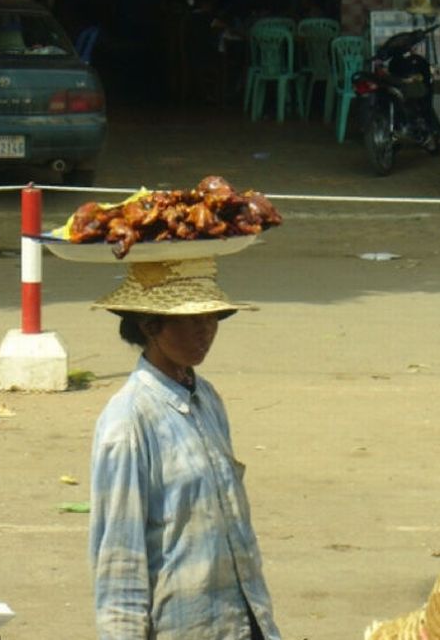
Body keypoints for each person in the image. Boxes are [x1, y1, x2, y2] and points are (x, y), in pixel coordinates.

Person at [89, 257, 281, 640]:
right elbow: (119, 560)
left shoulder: (206, 397)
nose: (205, 331)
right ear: (150, 325)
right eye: (192, 320)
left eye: (210, 319)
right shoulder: (128, 422)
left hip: (243, 620)